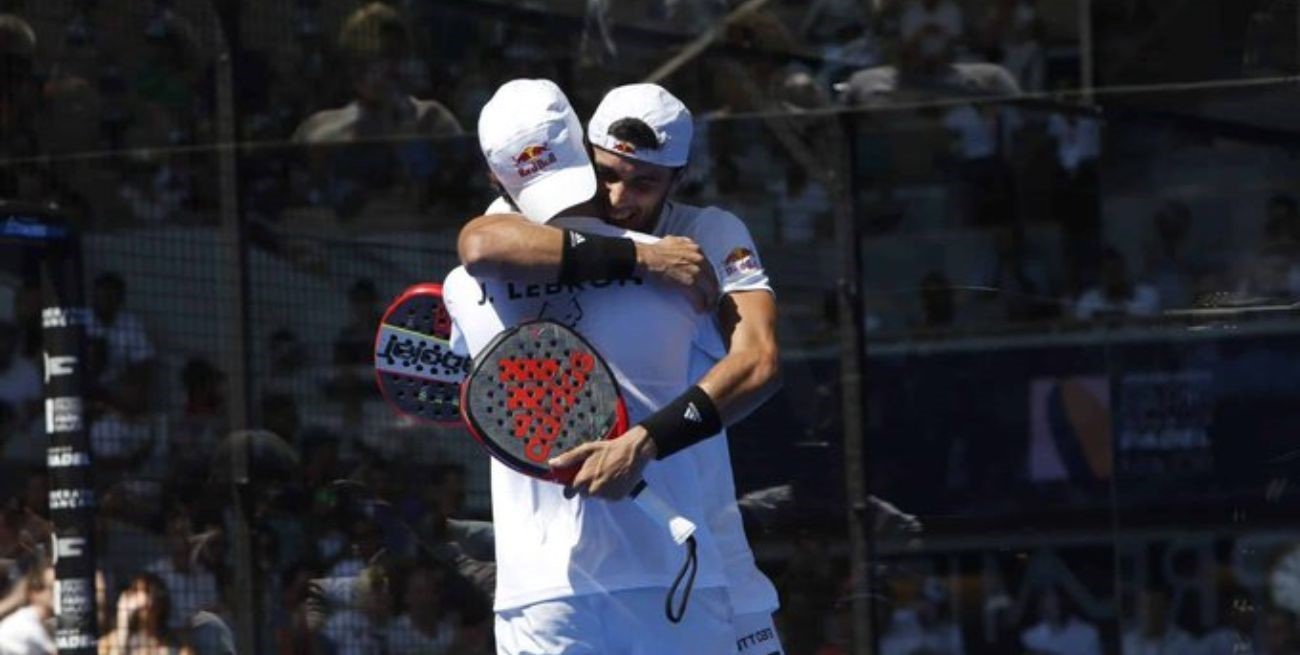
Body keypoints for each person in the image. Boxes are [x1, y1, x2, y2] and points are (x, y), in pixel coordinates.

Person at [458, 82, 785, 653]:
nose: (617, 197)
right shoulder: (532, 220)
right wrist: (646, 255)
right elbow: (480, 242)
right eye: (605, 172)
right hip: (571, 578)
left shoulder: (710, 233)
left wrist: (643, 443)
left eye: (643, 182)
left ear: (677, 179)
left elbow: (758, 362)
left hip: (708, 553)